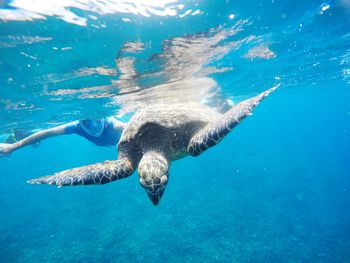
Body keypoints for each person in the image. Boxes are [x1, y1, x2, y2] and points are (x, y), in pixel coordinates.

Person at [0, 117, 125, 157]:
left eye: (97, 119)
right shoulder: (77, 127)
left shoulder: (112, 123)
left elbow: (127, 126)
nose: (94, 127)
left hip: (119, 142)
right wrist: (13, 147)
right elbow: (47, 132)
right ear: (81, 121)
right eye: (87, 122)